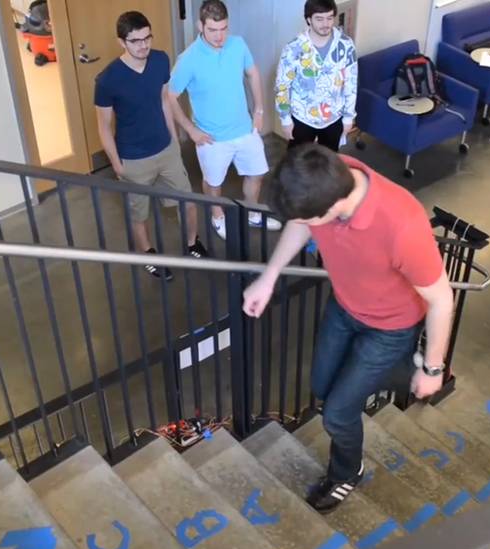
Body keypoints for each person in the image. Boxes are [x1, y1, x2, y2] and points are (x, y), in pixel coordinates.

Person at [243, 144, 454, 513]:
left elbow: (441, 299)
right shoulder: (326, 176)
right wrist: (269, 276)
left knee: (337, 413)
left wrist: (434, 367)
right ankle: (405, 370)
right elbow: (300, 221)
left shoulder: (402, 225)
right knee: (323, 386)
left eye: (312, 220)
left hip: (390, 328)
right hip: (344, 307)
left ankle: (346, 472)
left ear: (333, 209)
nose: (306, 225)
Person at [95, 11, 208, 281]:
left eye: (147, 38)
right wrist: (116, 163)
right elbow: (103, 126)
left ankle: (192, 243)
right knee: (139, 213)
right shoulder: (107, 80)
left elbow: (164, 100)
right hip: (133, 158)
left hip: (165, 149)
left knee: (189, 202)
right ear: (122, 42)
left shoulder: (159, 60)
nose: (143, 45)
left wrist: (173, 138)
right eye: (135, 41)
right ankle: (147, 254)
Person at [167, 0, 282, 241]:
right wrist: (190, 130)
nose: (220, 36)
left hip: (244, 129)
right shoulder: (188, 59)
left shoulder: (237, 44)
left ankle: (252, 212)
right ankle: (217, 215)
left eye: (223, 29)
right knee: (213, 183)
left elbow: (252, 73)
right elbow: (171, 96)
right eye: (212, 30)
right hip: (211, 138)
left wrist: (259, 110)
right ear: (200, 25)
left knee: (256, 174)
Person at [275, 0, 358, 151]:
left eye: (329, 18)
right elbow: (282, 86)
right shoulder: (293, 48)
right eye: (319, 19)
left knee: (328, 163)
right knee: (297, 162)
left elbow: (351, 83)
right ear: (308, 19)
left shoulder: (346, 45)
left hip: (334, 117)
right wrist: (285, 118)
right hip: (302, 117)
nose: (325, 24)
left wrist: (349, 117)